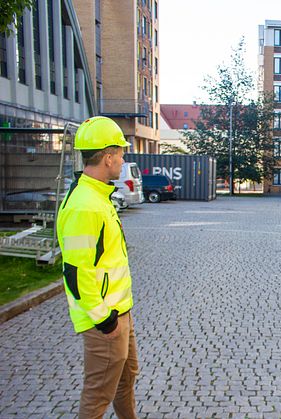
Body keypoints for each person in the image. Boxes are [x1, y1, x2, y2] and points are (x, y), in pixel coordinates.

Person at [57, 116, 139, 418]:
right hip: (105, 320)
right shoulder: (85, 205)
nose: (122, 159)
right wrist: (105, 321)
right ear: (107, 157)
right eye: (120, 153)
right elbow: (76, 273)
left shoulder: (97, 195)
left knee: (125, 380)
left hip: (119, 311)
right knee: (98, 394)